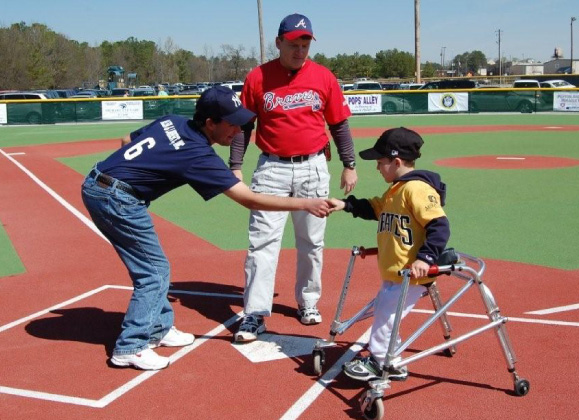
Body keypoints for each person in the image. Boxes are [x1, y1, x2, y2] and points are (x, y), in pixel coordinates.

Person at [81, 86, 332, 371]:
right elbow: (247, 198)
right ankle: (131, 346)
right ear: (210, 123)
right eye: (232, 123)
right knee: (153, 272)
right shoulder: (198, 154)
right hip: (116, 198)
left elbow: (126, 139)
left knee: (155, 266)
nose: (238, 130)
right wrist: (305, 204)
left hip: (103, 183)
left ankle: (158, 328)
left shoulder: (173, 121)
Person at [229, 13, 358, 343]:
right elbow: (245, 125)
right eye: (293, 44)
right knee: (262, 242)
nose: (299, 50)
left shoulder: (324, 77)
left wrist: (349, 164)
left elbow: (339, 125)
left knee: (312, 241)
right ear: (278, 43)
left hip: (313, 167)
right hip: (271, 169)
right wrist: (235, 165)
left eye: (304, 44)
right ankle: (255, 312)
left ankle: (309, 302)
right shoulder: (258, 77)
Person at [327, 127, 450, 381]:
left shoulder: (416, 189)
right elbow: (376, 208)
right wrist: (346, 205)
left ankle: (380, 361)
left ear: (396, 161)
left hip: (411, 274)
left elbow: (439, 225)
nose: (377, 167)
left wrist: (425, 258)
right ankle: (390, 360)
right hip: (396, 272)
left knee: (386, 314)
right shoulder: (397, 189)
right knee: (386, 310)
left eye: (380, 162)